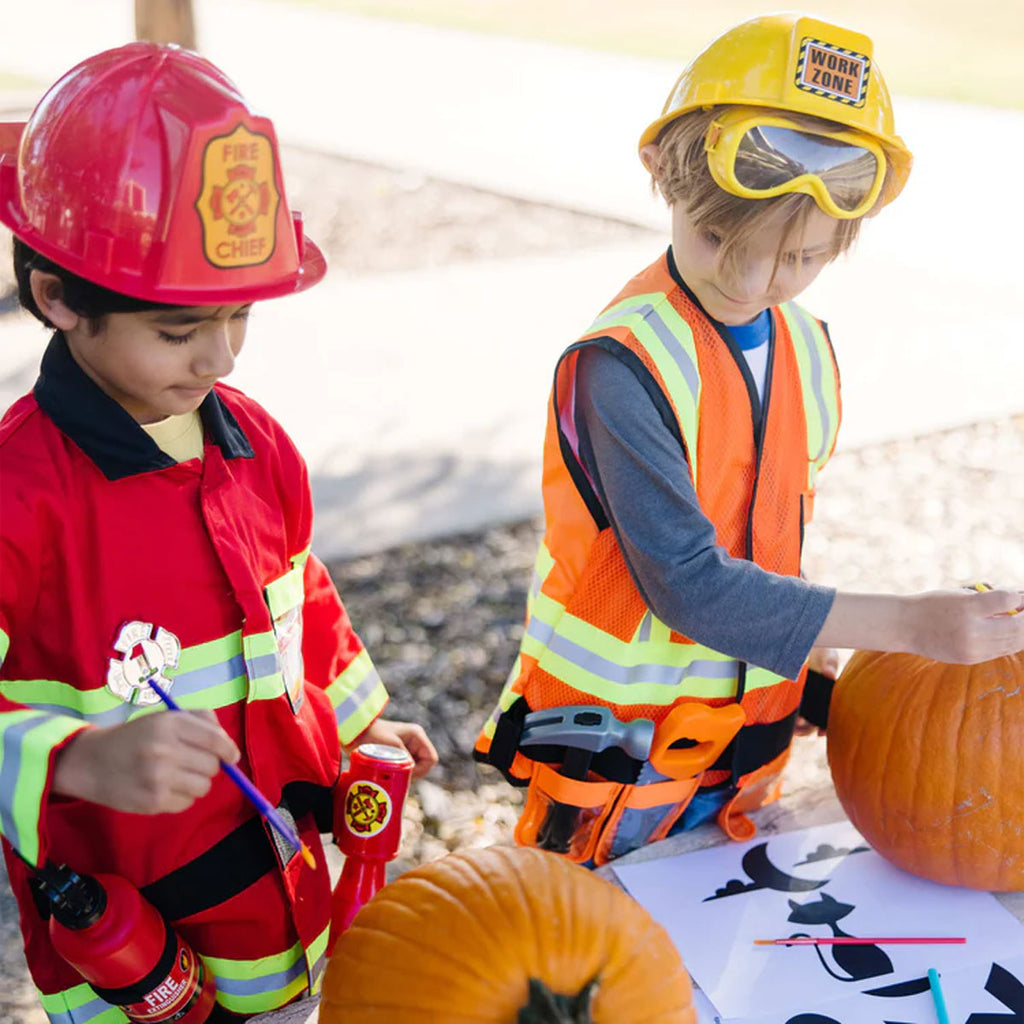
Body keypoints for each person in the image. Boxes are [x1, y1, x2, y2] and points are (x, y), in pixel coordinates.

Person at [474, 12, 1024, 867]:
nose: (757, 279)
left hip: (740, 754)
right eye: (721, 240)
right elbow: (688, 584)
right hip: (615, 765)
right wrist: (906, 626)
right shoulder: (622, 367)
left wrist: (816, 659)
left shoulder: (807, 345)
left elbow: (766, 534)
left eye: (799, 258)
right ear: (661, 173)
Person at [0, 42, 437, 1020]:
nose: (219, 355)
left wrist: (358, 718)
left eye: (238, 315)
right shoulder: (19, 497)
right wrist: (74, 758)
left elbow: (299, 598)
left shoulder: (253, 442)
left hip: (283, 896)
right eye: (176, 330)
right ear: (57, 297)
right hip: (137, 948)